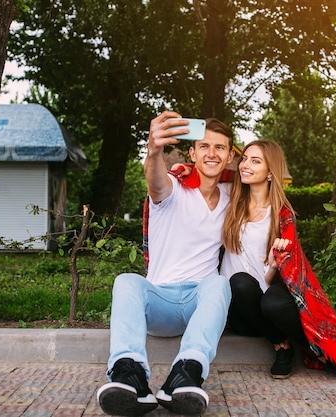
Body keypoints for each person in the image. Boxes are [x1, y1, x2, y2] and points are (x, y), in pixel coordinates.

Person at [220, 140, 336, 382]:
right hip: (240, 309)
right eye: (244, 159)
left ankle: (322, 352)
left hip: (267, 304)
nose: (245, 165)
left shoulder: (282, 215)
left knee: (273, 302)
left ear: (271, 172)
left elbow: (282, 277)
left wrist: (276, 264)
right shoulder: (229, 201)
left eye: (255, 161)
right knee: (240, 283)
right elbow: (207, 174)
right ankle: (281, 346)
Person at [96, 111, 235, 417]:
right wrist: (154, 150)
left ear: (229, 156)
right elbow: (156, 182)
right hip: (161, 301)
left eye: (220, 147)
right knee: (127, 280)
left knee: (220, 283)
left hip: (200, 303)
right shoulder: (173, 186)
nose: (212, 153)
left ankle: (185, 375)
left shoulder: (231, 196)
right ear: (192, 153)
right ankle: (128, 373)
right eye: (204, 146)